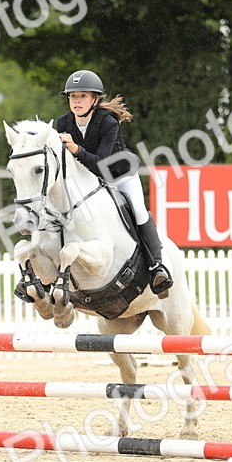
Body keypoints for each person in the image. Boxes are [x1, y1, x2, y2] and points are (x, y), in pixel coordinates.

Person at [55, 69, 173, 295]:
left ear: (95, 99)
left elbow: (100, 163)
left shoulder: (108, 123)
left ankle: (157, 267)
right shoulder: (63, 123)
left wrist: (76, 149)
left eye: (82, 96)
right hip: (88, 180)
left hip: (119, 174)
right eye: (73, 96)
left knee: (137, 210)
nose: (77, 101)